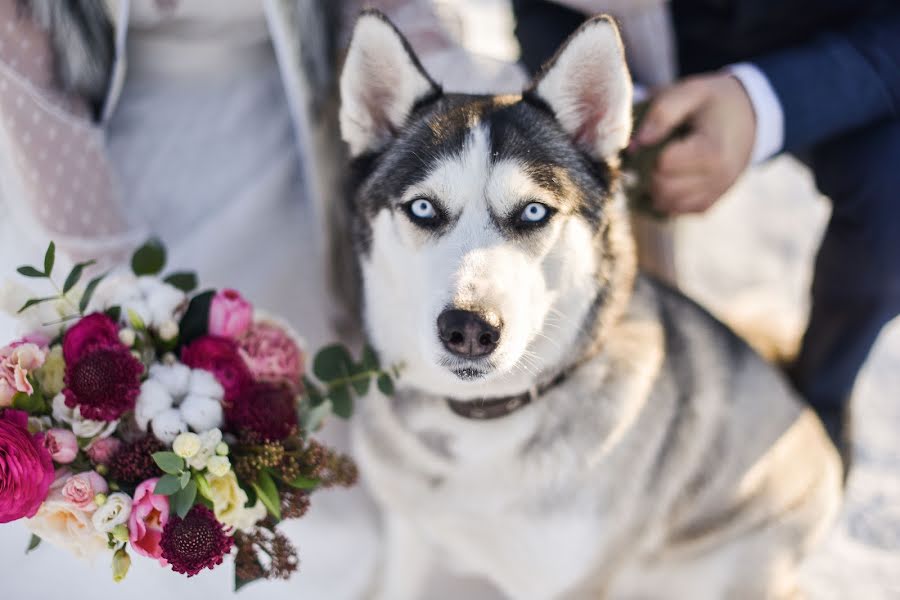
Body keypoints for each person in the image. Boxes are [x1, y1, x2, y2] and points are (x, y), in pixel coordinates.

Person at [0, 1, 520, 598]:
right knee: (140, 453)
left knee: (310, 451)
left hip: (291, 145)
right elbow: (27, 80)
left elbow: (384, 15)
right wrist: (123, 295)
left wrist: (484, 102)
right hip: (100, 158)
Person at [512, 0, 900, 459]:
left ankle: (821, 392)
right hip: (636, 29)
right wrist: (611, 103)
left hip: (844, 43)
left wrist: (762, 105)